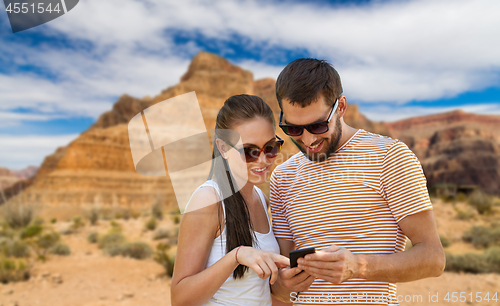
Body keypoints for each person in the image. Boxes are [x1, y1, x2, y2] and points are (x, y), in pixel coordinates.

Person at [269, 59, 446, 305]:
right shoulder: (282, 177)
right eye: (294, 129)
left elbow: (433, 259)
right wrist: (281, 284)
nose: (308, 140)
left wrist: (359, 266)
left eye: (318, 125)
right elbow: (281, 282)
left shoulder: (389, 156)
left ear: (341, 106)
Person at [171, 94, 290, 306]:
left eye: (271, 147)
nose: (263, 160)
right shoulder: (208, 199)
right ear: (224, 148)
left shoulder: (261, 198)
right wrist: (236, 256)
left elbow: (256, 293)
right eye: (249, 151)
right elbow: (180, 299)